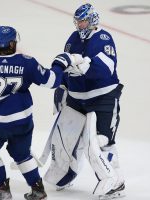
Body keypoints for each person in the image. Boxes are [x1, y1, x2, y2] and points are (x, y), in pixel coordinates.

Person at [0, 26, 84, 200]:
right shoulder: (26, 62)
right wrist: (60, 63)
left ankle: (3, 190)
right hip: (22, 123)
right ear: (12, 43)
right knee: (22, 154)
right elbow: (52, 81)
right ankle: (37, 189)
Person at [42, 3, 125, 199]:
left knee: (101, 142)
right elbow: (67, 68)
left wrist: (83, 65)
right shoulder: (72, 39)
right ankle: (66, 174)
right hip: (76, 99)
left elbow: (107, 69)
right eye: (78, 21)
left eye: (83, 21)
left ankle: (116, 181)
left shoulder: (103, 38)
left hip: (103, 98)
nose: (80, 25)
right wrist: (62, 87)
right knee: (68, 139)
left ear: (93, 20)